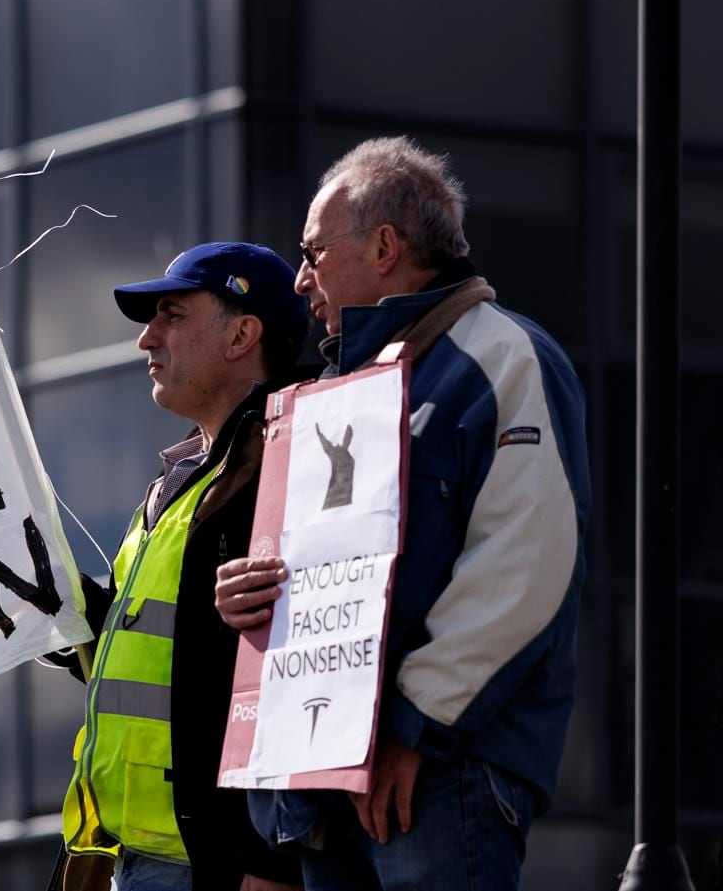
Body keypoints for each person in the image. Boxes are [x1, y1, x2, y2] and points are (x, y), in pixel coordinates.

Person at [214, 139, 589, 890]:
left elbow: (527, 562)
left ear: (384, 246)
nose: (300, 279)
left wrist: (416, 726)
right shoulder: (323, 398)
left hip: (440, 776)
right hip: (325, 786)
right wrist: (251, 596)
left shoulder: (504, 356)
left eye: (315, 251)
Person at [49, 243, 311, 891]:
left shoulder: (285, 467)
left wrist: (270, 858)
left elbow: (303, 674)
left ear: (242, 334)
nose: (146, 339)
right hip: (133, 853)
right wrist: (56, 601)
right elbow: (157, 644)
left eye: (171, 315)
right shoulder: (181, 479)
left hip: (210, 863)